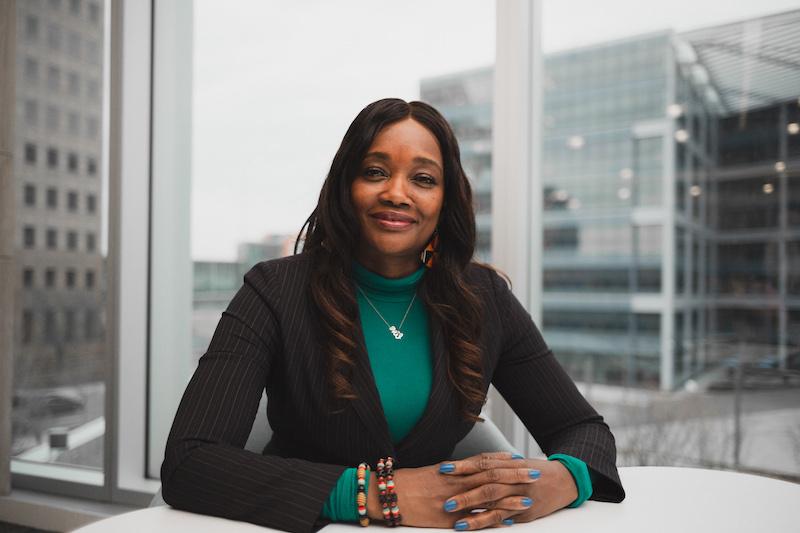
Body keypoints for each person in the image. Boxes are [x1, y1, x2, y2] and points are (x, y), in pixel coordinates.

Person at [160, 98, 625, 533]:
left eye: (423, 179)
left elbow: (582, 429)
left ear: (446, 200)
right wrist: (378, 495)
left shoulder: (485, 297)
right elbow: (190, 460)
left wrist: (561, 480)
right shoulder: (273, 290)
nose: (397, 193)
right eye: (375, 171)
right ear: (346, 186)